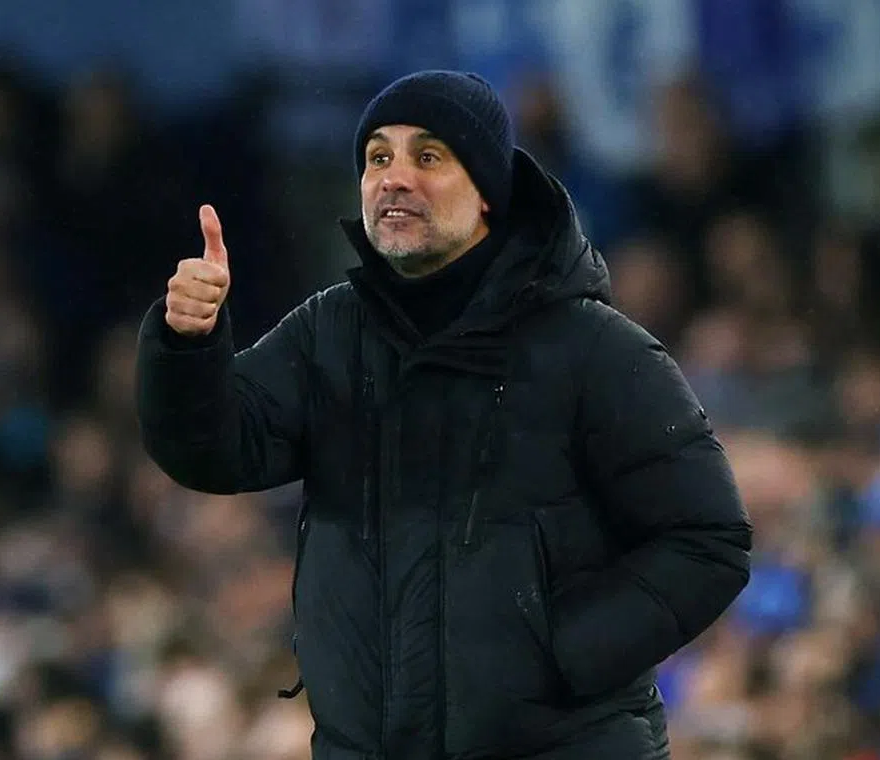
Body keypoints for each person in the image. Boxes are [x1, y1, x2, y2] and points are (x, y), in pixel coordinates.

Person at [136, 70, 752, 760]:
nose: (394, 178)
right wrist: (187, 345)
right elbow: (215, 451)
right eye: (378, 158)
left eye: (427, 156)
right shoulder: (328, 334)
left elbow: (708, 540)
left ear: (488, 190)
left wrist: (564, 657)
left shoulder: (595, 349)